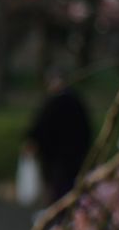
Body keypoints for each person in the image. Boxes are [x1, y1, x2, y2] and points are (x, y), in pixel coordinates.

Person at [25, 70, 92, 203]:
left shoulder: (54, 102)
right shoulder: (75, 100)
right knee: (67, 187)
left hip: (58, 157)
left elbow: (42, 126)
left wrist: (33, 141)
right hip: (73, 154)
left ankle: (60, 214)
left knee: (59, 188)